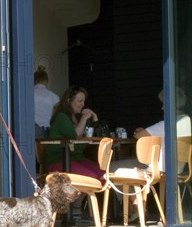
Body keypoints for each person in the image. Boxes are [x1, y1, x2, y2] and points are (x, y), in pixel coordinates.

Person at [111, 88, 191, 219]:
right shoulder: (187, 121)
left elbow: (139, 136)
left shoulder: (166, 124)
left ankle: (137, 205)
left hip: (157, 170)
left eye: (164, 104)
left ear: (171, 105)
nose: (162, 108)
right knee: (126, 166)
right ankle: (135, 206)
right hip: (178, 170)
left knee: (113, 168)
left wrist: (141, 131)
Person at [45, 85, 102, 219]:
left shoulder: (75, 119)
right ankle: (73, 208)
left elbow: (88, 137)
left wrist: (94, 118)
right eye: (79, 101)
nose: (83, 104)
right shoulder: (61, 117)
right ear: (69, 101)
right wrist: (85, 118)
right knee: (91, 175)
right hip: (58, 160)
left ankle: (75, 206)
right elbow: (74, 135)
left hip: (75, 159)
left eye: (83, 101)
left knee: (102, 174)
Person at [34, 65, 60, 139]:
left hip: (34, 128)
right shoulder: (53, 96)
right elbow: (61, 110)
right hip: (47, 129)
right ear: (46, 81)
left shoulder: (29, 95)